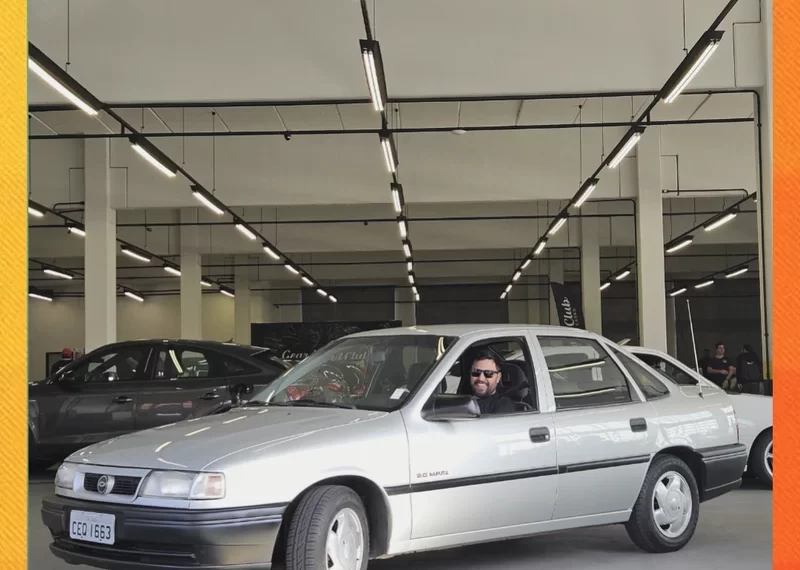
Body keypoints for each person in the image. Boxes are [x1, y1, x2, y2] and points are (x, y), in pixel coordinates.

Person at [469, 350, 515, 415]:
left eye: (488, 373)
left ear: (498, 377)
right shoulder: (462, 401)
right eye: (476, 372)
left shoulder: (503, 405)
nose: (481, 378)